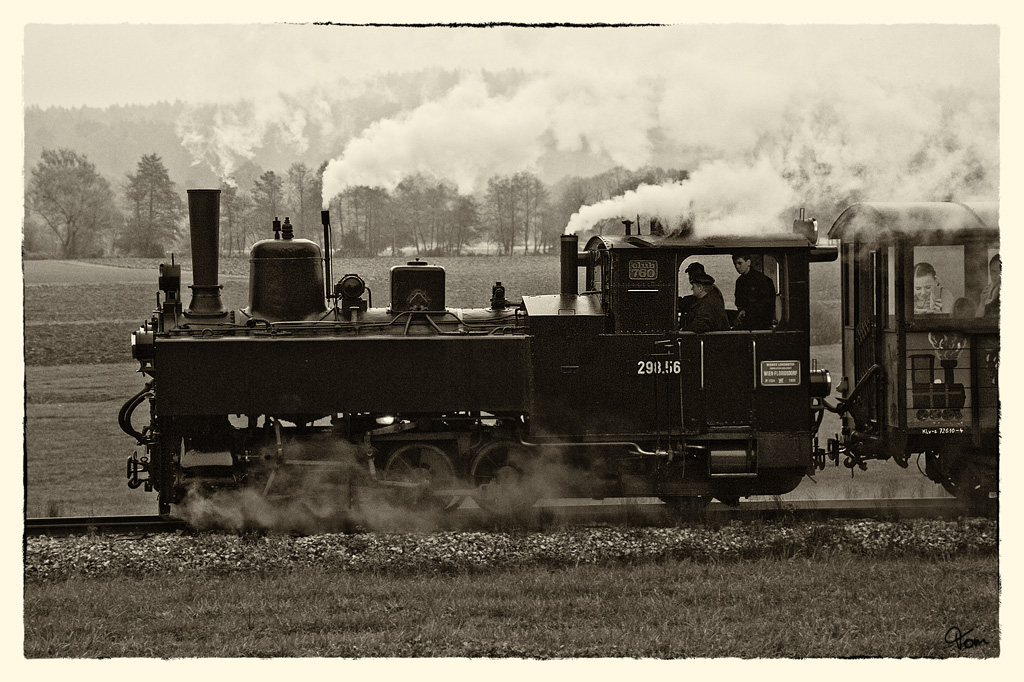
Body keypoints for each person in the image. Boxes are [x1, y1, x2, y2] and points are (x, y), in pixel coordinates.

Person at [732, 254, 776, 329]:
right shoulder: (739, 282)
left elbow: (766, 304)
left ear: (748, 262)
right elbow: (738, 301)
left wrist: (747, 311)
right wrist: (741, 311)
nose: (737, 267)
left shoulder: (762, 280)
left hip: (761, 323)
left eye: (740, 263)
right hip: (746, 321)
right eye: (735, 264)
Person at [679, 261, 724, 328]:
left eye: (692, 274)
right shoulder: (709, 289)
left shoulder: (709, 297)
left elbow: (700, 324)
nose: (690, 277)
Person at [978, 253, 1000, 318]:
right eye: (994, 272)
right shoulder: (987, 291)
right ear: (990, 272)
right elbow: (977, 320)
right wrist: (982, 302)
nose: (998, 276)